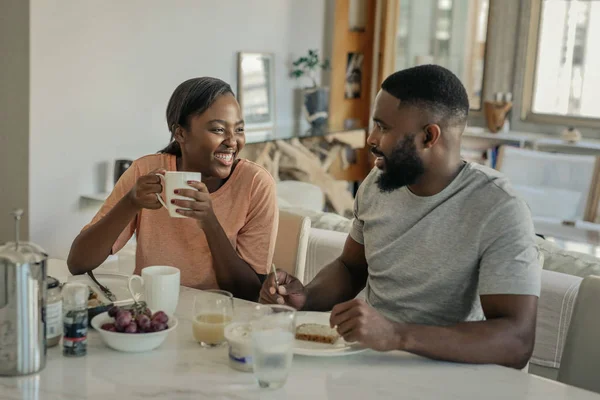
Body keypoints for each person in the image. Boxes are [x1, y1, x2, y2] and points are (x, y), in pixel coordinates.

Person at [260, 65, 541, 369]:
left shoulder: (498, 208)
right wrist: (306, 297)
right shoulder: (377, 184)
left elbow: (517, 341)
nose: (371, 138)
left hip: (447, 377)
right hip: (366, 364)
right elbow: (351, 268)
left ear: (429, 136)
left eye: (383, 127)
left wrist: (396, 335)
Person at [68, 77, 278, 301]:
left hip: (217, 316)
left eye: (239, 129)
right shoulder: (146, 170)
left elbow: (249, 293)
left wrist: (210, 222)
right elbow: (78, 263)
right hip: (150, 311)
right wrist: (130, 203)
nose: (232, 141)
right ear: (180, 134)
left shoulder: (256, 184)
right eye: (218, 129)